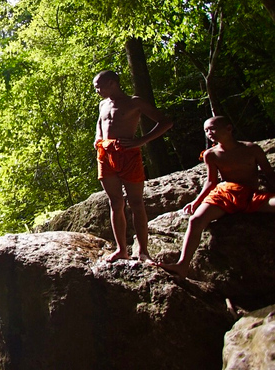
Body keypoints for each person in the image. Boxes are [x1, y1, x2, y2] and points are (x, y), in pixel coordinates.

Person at [158, 116, 275, 279]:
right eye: (206, 130)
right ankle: (182, 265)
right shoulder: (210, 154)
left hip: (251, 194)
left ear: (228, 128)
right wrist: (197, 201)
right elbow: (211, 181)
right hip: (225, 194)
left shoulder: (251, 148)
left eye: (212, 128)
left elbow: (269, 173)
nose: (209, 133)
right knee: (195, 220)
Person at [93, 70, 173, 262]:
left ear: (113, 83)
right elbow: (99, 124)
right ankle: (121, 249)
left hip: (129, 154)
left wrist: (141, 141)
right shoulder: (102, 104)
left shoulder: (134, 102)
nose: (96, 90)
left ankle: (143, 251)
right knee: (115, 202)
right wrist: (98, 140)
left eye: (99, 86)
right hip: (106, 155)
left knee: (136, 203)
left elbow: (166, 122)